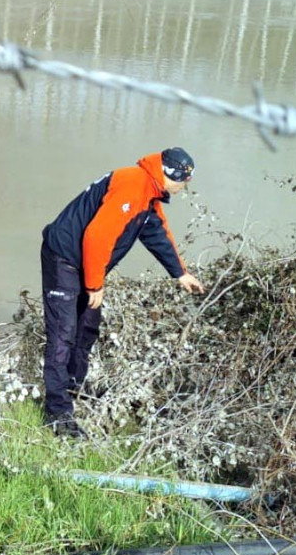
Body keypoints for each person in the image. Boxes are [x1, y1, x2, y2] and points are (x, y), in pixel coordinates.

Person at [39, 148, 205, 439]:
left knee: (87, 326)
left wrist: (180, 273)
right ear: (172, 175)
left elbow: (156, 232)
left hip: (84, 263)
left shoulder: (148, 194)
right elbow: (97, 236)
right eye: (184, 182)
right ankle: (57, 414)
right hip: (63, 258)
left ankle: (74, 387)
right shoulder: (133, 184)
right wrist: (94, 285)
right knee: (63, 334)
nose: (184, 188)